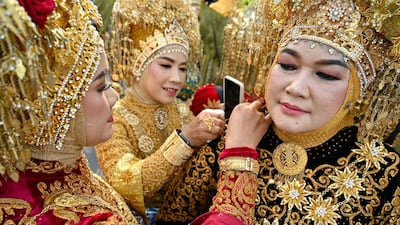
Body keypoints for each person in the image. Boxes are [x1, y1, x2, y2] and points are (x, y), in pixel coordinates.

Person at [156, 0, 400, 224]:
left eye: (326, 75)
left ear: (357, 92)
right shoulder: (224, 143)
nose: (296, 88)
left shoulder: (384, 175)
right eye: (287, 66)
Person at [0, 0, 138, 224]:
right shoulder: (90, 219)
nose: (114, 97)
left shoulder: (19, 177)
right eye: (101, 87)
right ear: (57, 106)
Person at [95, 0, 226, 224]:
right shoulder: (115, 118)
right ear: (138, 63)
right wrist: (185, 140)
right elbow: (126, 181)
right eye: (166, 65)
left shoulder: (182, 111)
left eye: (183, 68)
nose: (177, 78)